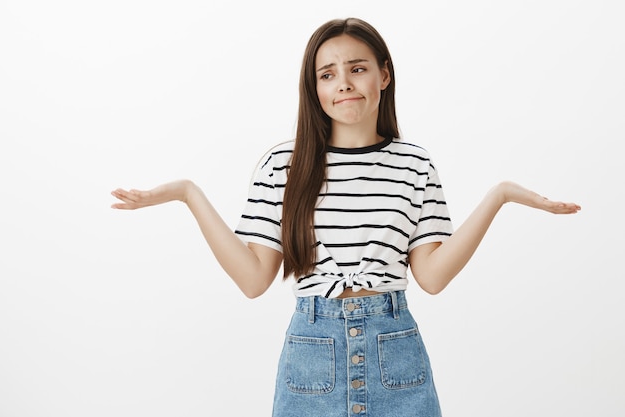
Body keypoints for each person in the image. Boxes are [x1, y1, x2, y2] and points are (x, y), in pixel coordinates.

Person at [111, 17, 580, 417]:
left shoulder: (414, 163)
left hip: (396, 353)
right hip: (311, 359)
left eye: (357, 69)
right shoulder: (285, 163)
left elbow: (432, 277)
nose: (344, 84)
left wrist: (498, 197)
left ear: (384, 75)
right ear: (314, 88)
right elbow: (254, 279)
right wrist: (189, 195)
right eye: (327, 74)